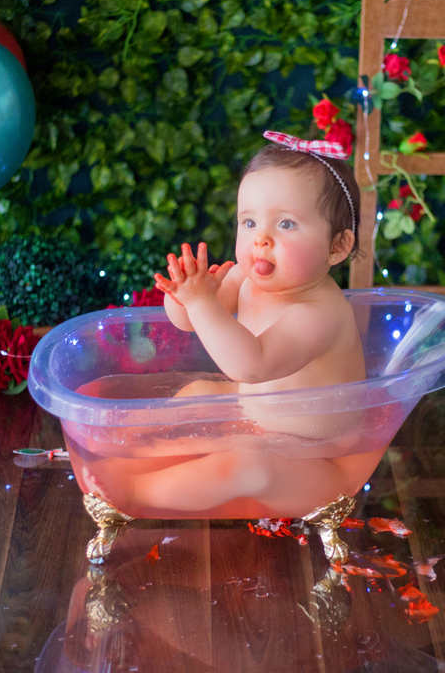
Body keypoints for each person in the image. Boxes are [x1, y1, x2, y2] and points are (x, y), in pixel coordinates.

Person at [80, 132, 373, 516]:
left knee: (246, 463)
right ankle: (131, 451)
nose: (261, 240)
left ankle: (135, 490)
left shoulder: (320, 314)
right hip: (255, 421)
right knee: (201, 391)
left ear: (337, 246)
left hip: (318, 462)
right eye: (249, 222)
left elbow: (251, 365)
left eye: (285, 224)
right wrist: (185, 294)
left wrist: (204, 304)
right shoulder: (247, 278)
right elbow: (186, 321)